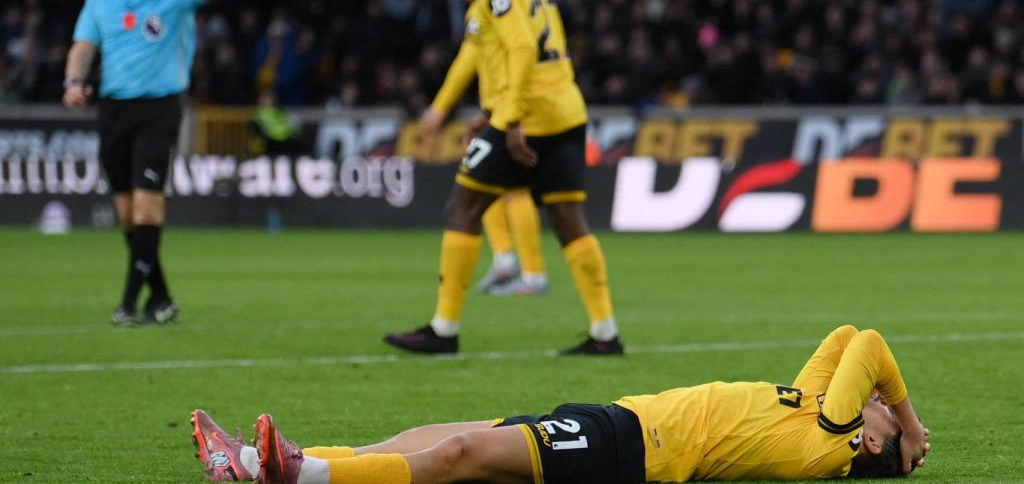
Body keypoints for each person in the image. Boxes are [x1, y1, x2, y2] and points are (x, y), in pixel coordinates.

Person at [190, 325, 930, 483]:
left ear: (868, 445)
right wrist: (898, 423)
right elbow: (844, 338)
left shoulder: (828, 438)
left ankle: (294, 478)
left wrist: (912, 421)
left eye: (883, 421)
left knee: (458, 456)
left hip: (628, 451)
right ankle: (256, 461)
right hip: (621, 427)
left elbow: (869, 348)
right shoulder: (815, 411)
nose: (880, 408)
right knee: (442, 432)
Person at [386, 0, 622, 355]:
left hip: (527, 117)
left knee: (464, 205)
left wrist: (508, 118)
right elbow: (478, 53)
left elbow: (520, 47)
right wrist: (471, 108)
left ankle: (444, 329)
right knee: (569, 220)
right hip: (565, 111)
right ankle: (605, 332)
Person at [62, 0, 282, 325]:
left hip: (159, 108)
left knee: (148, 208)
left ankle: (128, 304)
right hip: (114, 110)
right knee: (128, 215)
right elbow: (83, 46)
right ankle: (161, 298)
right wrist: (73, 79)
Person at [419, 0, 547, 297]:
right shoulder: (482, 8)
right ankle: (507, 261)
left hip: (512, 107)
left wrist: (441, 108)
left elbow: (499, 55)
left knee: (511, 188)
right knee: (481, 180)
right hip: (497, 107)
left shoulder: (493, 1)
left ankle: (532, 276)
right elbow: (471, 58)